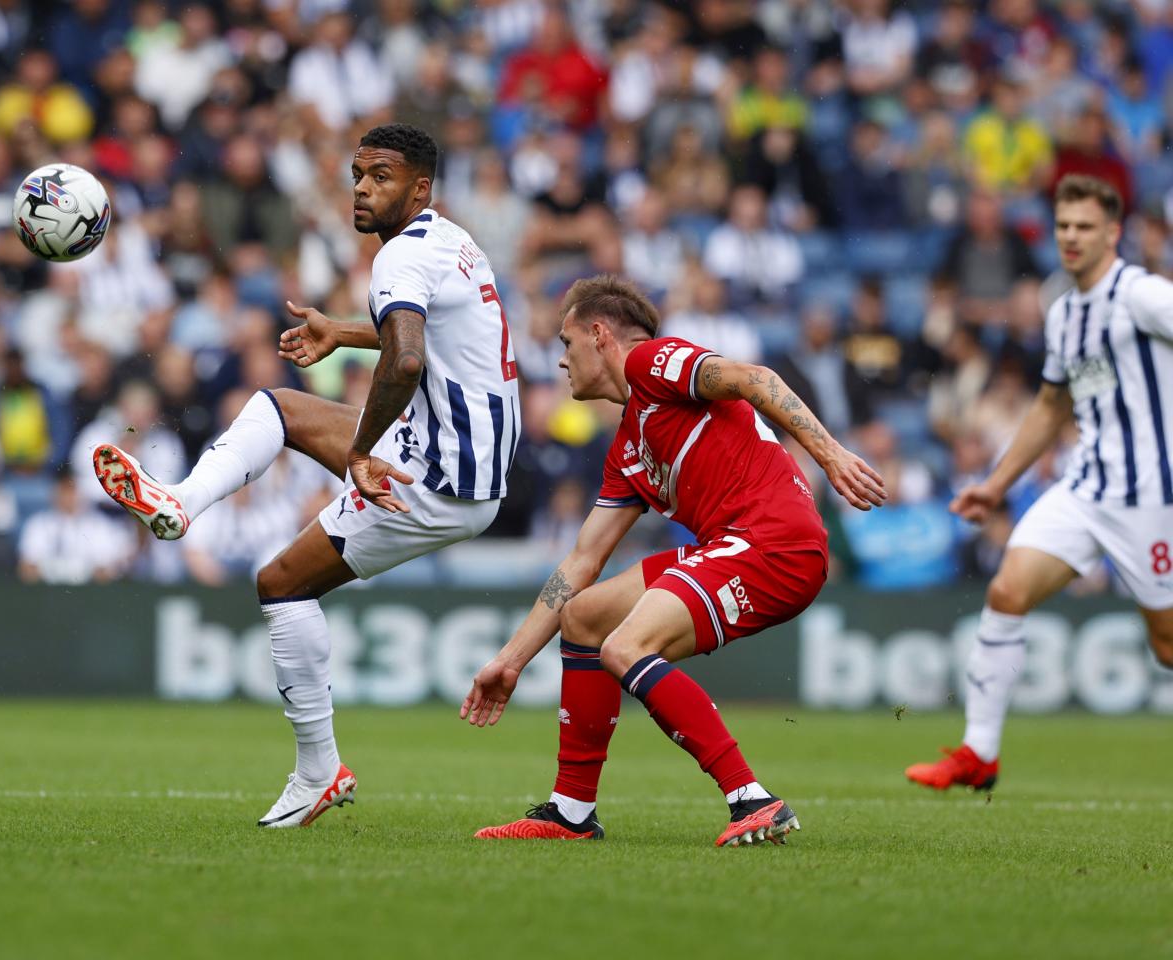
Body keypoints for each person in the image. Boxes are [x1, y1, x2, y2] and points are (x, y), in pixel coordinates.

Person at [90, 124, 521, 827]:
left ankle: (320, 772)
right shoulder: (451, 241)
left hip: (435, 477)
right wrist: (341, 332)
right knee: (279, 406)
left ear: (419, 187)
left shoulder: (398, 261)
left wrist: (361, 451)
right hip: (464, 458)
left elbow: (408, 360)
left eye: (380, 176)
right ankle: (180, 501)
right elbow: (418, 332)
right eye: (357, 173)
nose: (361, 187)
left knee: (281, 584)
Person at [459, 275, 884, 847]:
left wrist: (830, 456)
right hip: (732, 544)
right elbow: (581, 560)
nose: (562, 362)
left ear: (599, 333)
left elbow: (755, 378)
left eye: (566, 343)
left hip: (774, 543)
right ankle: (570, 813)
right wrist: (511, 661)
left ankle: (750, 798)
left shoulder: (653, 363)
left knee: (624, 646)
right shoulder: (629, 446)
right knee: (585, 617)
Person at [906, 175, 1173, 792]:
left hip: (1151, 497)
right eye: (1063, 226)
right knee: (1006, 592)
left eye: (1085, 226)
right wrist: (996, 484)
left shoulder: (1142, 295)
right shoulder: (1065, 310)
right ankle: (979, 753)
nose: (1072, 237)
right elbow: (1052, 407)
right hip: (1084, 488)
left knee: (1166, 647)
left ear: (1113, 232)